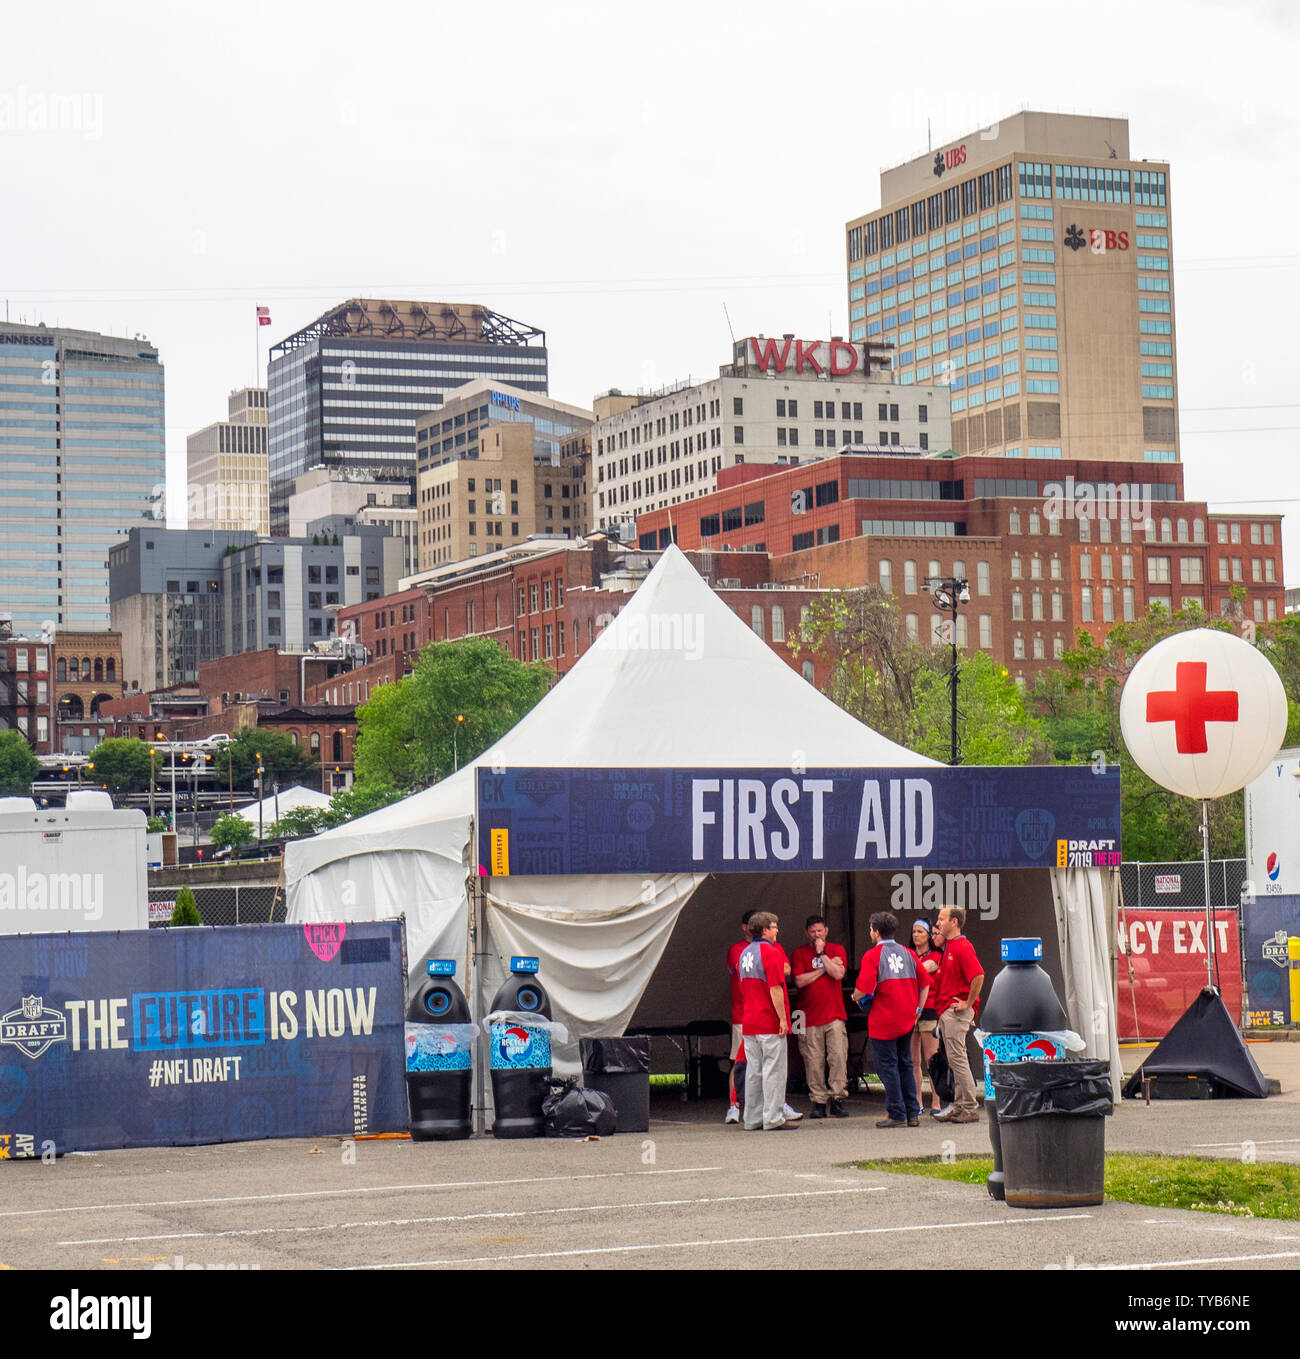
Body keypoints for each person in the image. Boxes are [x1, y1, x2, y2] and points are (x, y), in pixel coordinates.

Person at [852, 911, 928, 1129]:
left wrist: (854, 997)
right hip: (907, 1017)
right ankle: (912, 1112)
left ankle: (896, 1112)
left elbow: (862, 989)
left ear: (876, 932)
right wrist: (919, 1008)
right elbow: (926, 982)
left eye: (870, 929)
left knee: (888, 1066)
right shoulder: (908, 953)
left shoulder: (872, 956)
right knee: (905, 1063)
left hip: (884, 1020)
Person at [739, 912, 799, 1131]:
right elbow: (775, 988)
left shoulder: (744, 953)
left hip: (750, 1020)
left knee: (754, 1071)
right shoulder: (771, 953)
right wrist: (783, 1018)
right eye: (774, 927)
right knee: (773, 1070)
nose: (777, 930)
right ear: (764, 930)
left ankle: (752, 1117)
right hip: (768, 1020)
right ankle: (773, 1117)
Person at [931, 904, 985, 1124]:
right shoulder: (951, 947)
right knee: (955, 1059)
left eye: (942, 919)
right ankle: (961, 1104)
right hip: (949, 1010)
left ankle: (970, 1106)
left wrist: (968, 1003)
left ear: (954, 922)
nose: (938, 923)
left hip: (955, 1012)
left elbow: (978, 976)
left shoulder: (962, 947)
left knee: (958, 1059)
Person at [791, 914, 849, 1118]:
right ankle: (818, 1101)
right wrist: (825, 967)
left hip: (834, 1014)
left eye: (820, 931)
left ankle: (837, 1098)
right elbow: (799, 981)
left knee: (838, 1057)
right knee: (813, 1060)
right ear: (807, 933)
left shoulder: (837, 950)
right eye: (813, 932)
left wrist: (822, 954)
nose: (816, 935)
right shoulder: (799, 953)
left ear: (826, 931)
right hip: (808, 1016)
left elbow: (838, 974)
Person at [909, 920, 944, 1115]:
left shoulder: (936, 955)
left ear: (929, 935)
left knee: (931, 1058)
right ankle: (917, 1102)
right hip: (910, 1009)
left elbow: (925, 970)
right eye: (914, 931)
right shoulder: (909, 954)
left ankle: (936, 1101)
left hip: (929, 1008)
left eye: (920, 931)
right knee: (913, 1060)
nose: (916, 935)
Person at [725, 910, 756, 1124]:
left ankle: (774, 1105)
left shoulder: (773, 947)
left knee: (767, 1062)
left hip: (765, 1014)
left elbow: (785, 970)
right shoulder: (737, 949)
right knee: (739, 1062)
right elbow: (747, 970)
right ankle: (734, 1106)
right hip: (743, 1014)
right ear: (744, 927)